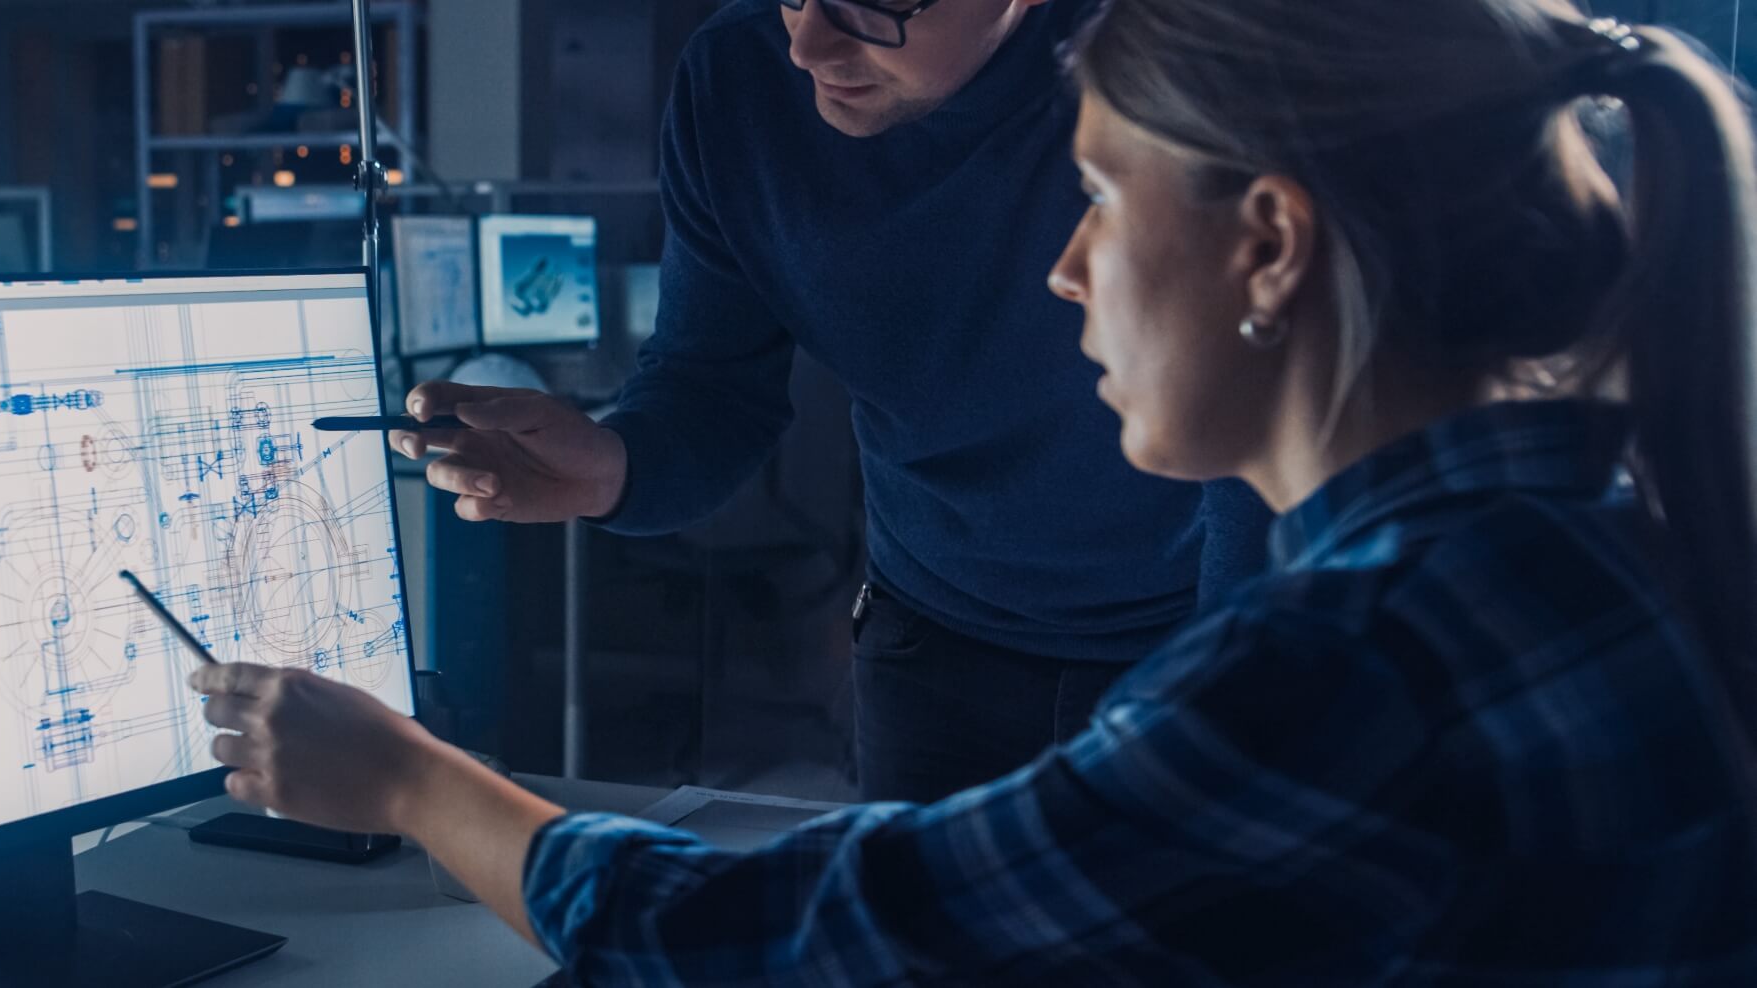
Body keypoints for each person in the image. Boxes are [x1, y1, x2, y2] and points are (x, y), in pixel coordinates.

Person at [198, 0, 1757, 980]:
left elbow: (790, 944)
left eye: (1098, 201)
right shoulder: (1590, 538)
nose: (1066, 275)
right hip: (962, 640)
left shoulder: (1338, 673)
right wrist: (611, 459)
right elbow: (712, 391)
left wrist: (407, 780)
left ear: (1273, 245)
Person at [395, 0, 1272, 804]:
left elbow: (1261, 421)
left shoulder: (1175, 67)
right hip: (931, 636)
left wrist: (1248, 679)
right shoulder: (739, 83)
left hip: (1192, 629)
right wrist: (616, 468)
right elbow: (708, 381)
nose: (807, 43)